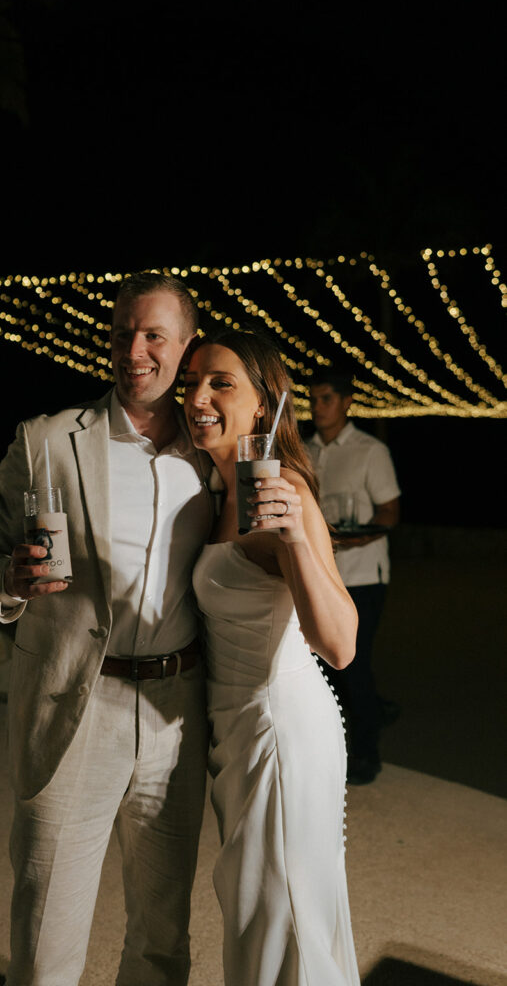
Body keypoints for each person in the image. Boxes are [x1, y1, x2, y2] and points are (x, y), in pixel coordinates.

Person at [0, 272, 213, 986]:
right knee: (45, 937)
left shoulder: (213, 453)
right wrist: (8, 581)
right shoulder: (46, 440)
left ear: (185, 347)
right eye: (121, 334)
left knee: (162, 939)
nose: (134, 351)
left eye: (153, 335)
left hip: (176, 714)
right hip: (74, 705)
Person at [182, 330, 360, 986]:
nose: (197, 396)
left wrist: (293, 541)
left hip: (279, 732)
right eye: (192, 382)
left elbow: (338, 644)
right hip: (233, 733)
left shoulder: (282, 488)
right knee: (256, 912)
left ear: (264, 406)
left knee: (280, 921)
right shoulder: (213, 489)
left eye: (220, 382)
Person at [306, 372, 401, 786]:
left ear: (347, 402)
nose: (317, 406)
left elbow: (389, 514)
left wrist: (350, 535)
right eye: (313, 399)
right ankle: (357, 725)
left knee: (353, 664)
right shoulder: (304, 449)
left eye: (326, 398)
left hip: (362, 575)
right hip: (318, 576)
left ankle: (366, 753)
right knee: (321, 665)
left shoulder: (369, 450)